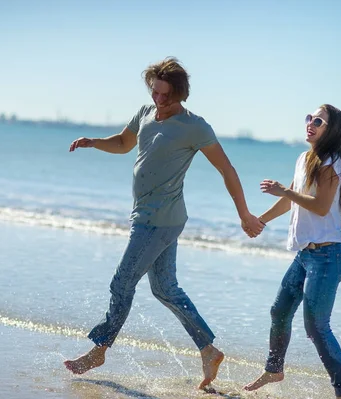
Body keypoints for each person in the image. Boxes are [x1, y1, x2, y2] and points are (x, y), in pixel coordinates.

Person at [64, 57, 264, 390]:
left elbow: (227, 170)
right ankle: (209, 350)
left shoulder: (195, 127)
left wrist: (244, 213)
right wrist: (94, 142)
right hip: (148, 215)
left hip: (160, 220)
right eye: (155, 92)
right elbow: (124, 144)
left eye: (166, 95)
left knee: (122, 281)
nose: (159, 100)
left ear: (180, 94)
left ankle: (99, 349)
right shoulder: (145, 114)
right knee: (165, 289)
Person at [243, 104, 341, 398]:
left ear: (331, 129)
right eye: (309, 118)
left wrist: (285, 191)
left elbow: (319, 206)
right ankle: (274, 368)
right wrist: (260, 221)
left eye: (318, 121)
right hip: (306, 255)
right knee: (279, 311)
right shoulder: (305, 158)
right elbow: (290, 201)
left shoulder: (332, 163)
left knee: (317, 328)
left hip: (328, 256)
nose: (311, 123)